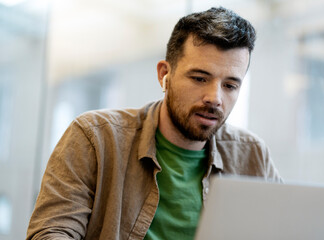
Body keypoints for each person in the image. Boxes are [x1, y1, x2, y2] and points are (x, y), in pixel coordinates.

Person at [26, 6, 282, 240]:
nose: (214, 99)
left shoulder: (253, 156)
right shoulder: (95, 138)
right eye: (200, 79)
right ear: (164, 74)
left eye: (229, 85)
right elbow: (50, 233)